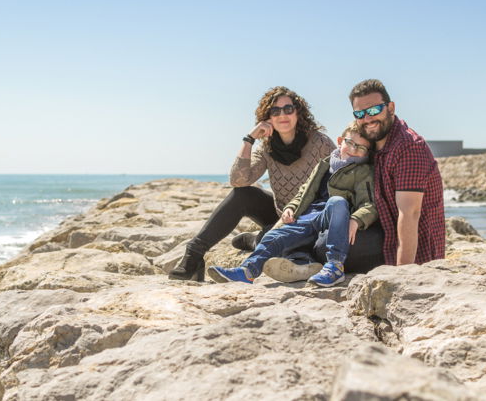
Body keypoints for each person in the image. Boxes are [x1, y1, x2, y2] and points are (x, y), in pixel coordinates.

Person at [168, 86, 335, 281]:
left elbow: (341, 177)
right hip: (282, 214)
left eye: (288, 109)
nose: (282, 115)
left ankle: (254, 240)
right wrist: (249, 139)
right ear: (267, 118)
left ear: (298, 112)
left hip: (313, 217)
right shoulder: (266, 147)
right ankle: (193, 255)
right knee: (243, 195)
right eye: (275, 111)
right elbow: (238, 180)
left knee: (274, 238)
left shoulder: (319, 142)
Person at [206, 123, 378, 287]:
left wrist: (357, 219)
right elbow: (304, 191)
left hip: (332, 216)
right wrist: (291, 208)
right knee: (275, 235)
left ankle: (335, 266)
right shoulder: (324, 164)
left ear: (366, 153)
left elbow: (370, 203)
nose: (354, 150)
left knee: (337, 201)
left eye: (361, 148)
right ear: (340, 141)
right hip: (309, 215)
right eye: (350, 143)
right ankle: (247, 271)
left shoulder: (363, 172)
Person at [349, 79, 445, 265]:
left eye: (374, 110)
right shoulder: (372, 145)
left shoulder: (409, 147)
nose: (368, 118)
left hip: (414, 252)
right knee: (325, 236)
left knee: (325, 247)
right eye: (360, 113)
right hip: (383, 234)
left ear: (390, 108)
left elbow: (410, 213)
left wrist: (402, 275)